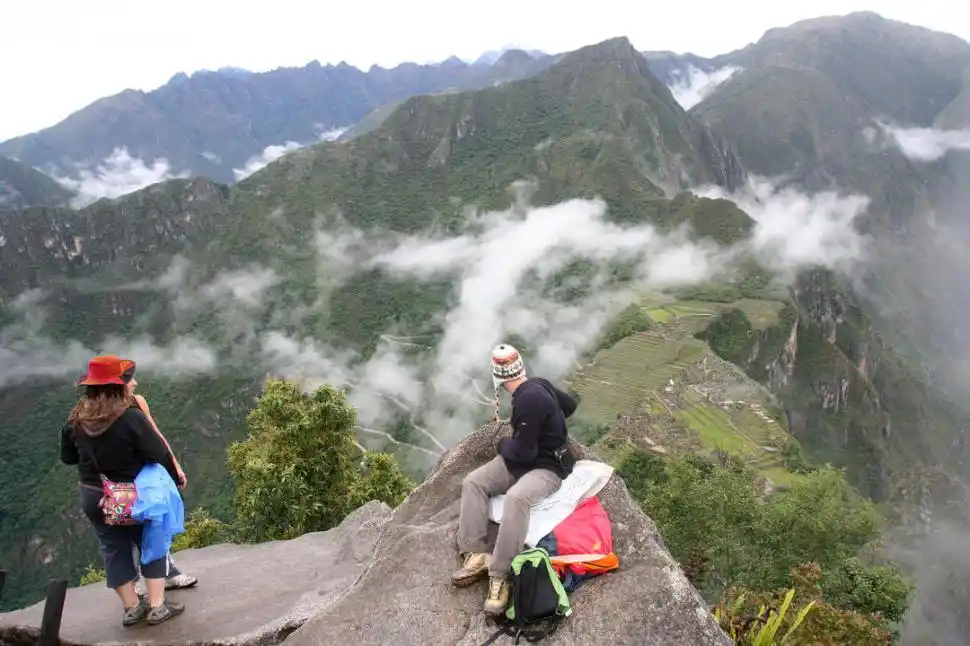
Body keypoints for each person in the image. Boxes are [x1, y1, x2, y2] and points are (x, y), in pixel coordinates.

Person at [59, 355, 187, 627]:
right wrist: (175, 478)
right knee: (152, 543)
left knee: (113, 547)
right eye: (128, 380)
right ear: (118, 387)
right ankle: (156, 607)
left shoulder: (75, 420)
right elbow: (156, 452)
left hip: (95, 496)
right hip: (134, 496)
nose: (134, 383)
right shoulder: (130, 418)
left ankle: (131, 608)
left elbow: (68, 457)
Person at [451, 343, 578, 615]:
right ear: (520, 367)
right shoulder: (538, 385)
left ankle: (500, 575)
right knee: (474, 482)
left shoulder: (528, 400)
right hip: (524, 460)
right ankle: (475, 553)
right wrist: (548, 419)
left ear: (497, 376)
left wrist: (502, 444)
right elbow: (570, 405)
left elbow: (523, 451)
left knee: (517, 498)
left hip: (547, 466)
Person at [125, 378, 198, 592]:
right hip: (122, 479)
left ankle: (166, 572)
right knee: (132, 529)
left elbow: (156, 436)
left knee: (156, 524)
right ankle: (139, 578)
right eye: (129, 379)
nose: (135, 382)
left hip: (148, 477)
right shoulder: (98, 411)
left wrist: (174, 466)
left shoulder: (137, 402)